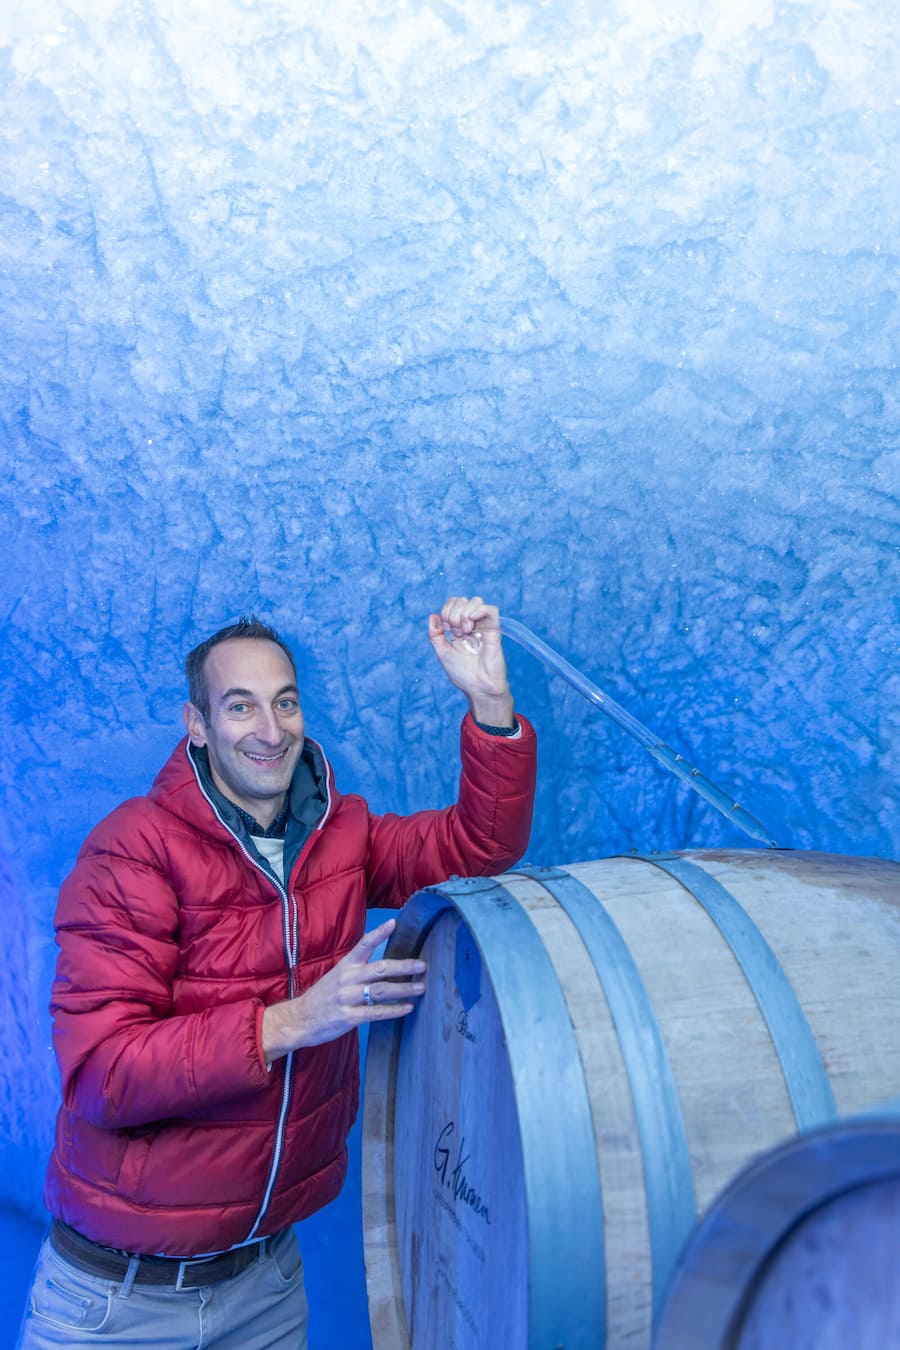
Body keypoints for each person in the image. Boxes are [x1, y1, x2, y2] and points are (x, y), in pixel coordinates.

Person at [17, 596, 536, 1350]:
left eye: (284, 703)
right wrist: (297, 1018)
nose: (270, 730)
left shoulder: (339, 835)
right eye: (240, 707)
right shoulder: (132, 852)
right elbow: (103, 1075)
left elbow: (477, 848)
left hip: (266, 1286)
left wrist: (489, 701)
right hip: (119, 1302)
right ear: (197, 726)